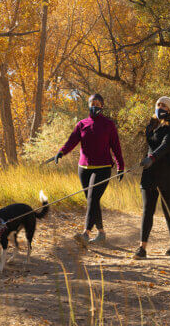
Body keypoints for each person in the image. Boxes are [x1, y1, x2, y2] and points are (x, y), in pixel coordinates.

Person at [55, 94, 125, 246]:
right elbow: (72, 141)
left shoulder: (108, 124)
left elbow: (116, 147)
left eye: (98, 103)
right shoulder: (82, 124)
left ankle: (86, 233)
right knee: (92, 201)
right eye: (92, 103)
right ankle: (101, 233)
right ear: (88, 105)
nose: (95, 106)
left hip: (103, 168)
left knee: (92, 199)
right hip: (84, 168)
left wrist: (121, 166)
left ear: (102, 106)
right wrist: (61, 152)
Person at [133, 96, 170, 260]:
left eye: (164, 106)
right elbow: (151, 145)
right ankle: (142, 248)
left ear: (169, 109)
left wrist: (152, 157)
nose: (160, 107)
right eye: (158, 104)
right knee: (147, 210)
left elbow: (167, 145)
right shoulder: (151, 125)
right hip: (150, 172)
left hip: (168, 173)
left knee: (168, 209)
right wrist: (147, 159)